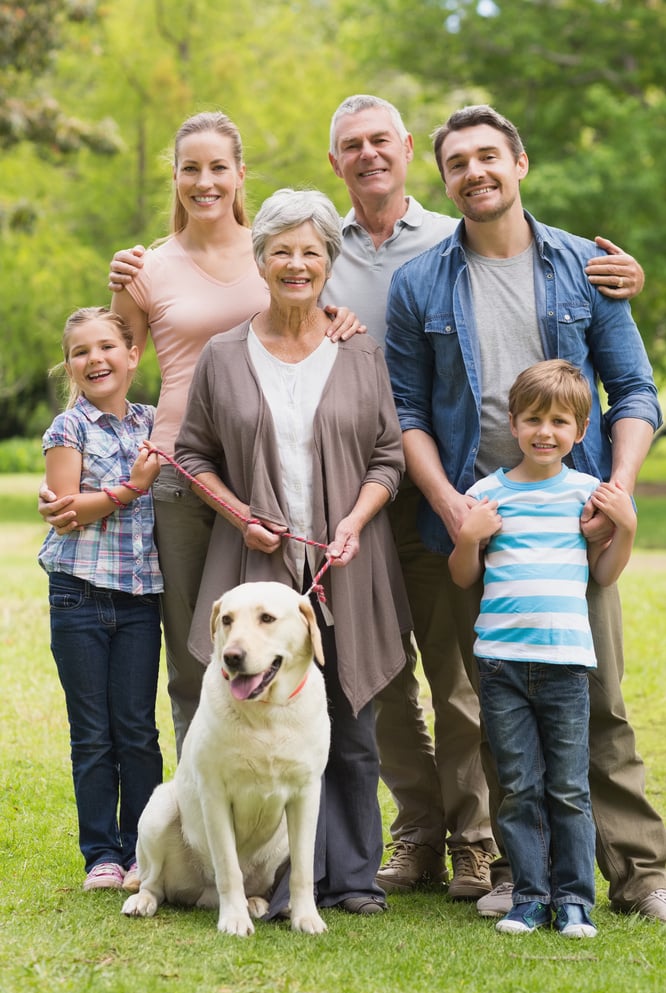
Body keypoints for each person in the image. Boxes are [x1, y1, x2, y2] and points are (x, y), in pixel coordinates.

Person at [95, 96, 644, 899]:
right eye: (350, 146)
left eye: (381, 141)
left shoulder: (467, 244)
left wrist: (616, 485)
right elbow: (173, 343)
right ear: (333, 165)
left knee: (502, 679)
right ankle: (410, 835)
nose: (368, 156)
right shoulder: (325, 244)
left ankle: (499, 846)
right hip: (392, 496)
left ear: (410, 149)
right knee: (376, 688)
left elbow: (621, 383)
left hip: (500, 501)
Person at [324, 94, 646, 901]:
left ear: (518, 162)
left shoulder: (582, 266)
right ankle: (520, 869)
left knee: (596, 695)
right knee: (499, 694)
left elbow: (635, 391)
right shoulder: (421, 282)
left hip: (574, 519)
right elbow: (408, 411)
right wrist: (452, 505)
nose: (474, 172)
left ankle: (642, 871)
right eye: (458, 163)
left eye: (486, 158)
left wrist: (615, 494)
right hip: (479, 517)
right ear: (444, 178)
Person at [38, 111, 357, 758]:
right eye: (190, 168)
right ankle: (202, 818)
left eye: (218, 167)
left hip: (271, 472)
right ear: (176, 177)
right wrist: (80, 459)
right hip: (182, 480)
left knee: (280, 642)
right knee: (195, 653)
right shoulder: (144, 268)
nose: (204, 181)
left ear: (240, 175)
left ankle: (280, 806)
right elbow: (112, 370)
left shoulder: (276, 249)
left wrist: (340, 316)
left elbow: (311, 316)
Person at [174, 187, 412, 916]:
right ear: (262, 260)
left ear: (327, 263)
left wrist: (355, 522)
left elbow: (387, 456)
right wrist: (242, 515)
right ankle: (268, 882)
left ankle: (350, 881)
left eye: (311, 251)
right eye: (281, 251)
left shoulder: (357, 348)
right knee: (254, 721)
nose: (296, 264)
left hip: (348, 561)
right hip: (257, 572)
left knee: (351, 720)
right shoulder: (222, 356)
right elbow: (192, 453)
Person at [449, 360, 637, 937]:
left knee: (569, 787)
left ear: (580, 431)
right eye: (533, 419)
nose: (545, 432)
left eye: (559, 421)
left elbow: (603, 575)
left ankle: (575, 900)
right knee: (519, 786)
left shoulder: (589, 494)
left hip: (566, 667)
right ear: (513, 423)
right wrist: (469, 537)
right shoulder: (486, 495)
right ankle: (530, 897)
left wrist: (624, 528)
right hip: (501, 663)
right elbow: (462, 577)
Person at [38, 306, 164, 892]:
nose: (96, 359)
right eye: (80, 352)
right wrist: (131, 487)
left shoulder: (154, 422)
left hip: (140, 599)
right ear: (69, 366)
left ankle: (141, 850)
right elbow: (65, 513)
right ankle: (101, 856)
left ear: (133, 354)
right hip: (79, 596)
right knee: (92, 733)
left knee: (137, 730)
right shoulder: (68, 430)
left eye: (107, 346)